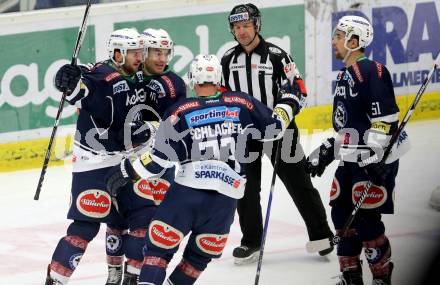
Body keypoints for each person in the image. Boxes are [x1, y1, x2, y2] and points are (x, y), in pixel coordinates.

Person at [105, 54, 304, 285]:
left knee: (157, 255)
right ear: (218, 78)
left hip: (186, 197)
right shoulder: (242, 103)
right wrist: (288, 101)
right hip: (224, 204)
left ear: (192, 79)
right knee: (197, 260)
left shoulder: (181, 111)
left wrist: (127, 171)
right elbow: (275, 129)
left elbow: (159, 160)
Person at [221, 3, 334, 263]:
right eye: (237, 27)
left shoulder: (276, 55)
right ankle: (251, 241)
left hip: (279, 130)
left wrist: (282, 114)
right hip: (245, 134)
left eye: (246, 25)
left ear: (257, 25)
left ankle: (321, 234)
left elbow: (297, 88)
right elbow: (223, 96)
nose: (242, 31)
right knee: (245, 189)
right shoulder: (228, 60)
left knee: (299, 182)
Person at [45, 28, 154, 285]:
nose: (140, 57)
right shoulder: (103, 77)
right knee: (85, 227)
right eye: (133, 53)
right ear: (117, 54)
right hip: (93, 164)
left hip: (126, 160)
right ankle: (55, 280)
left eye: (141, 52)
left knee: (143, 216)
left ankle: (128, 278)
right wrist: (68, 81)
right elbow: (80, 88)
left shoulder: (134, 75)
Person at [306, 15, 408, 285]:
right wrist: (329, 150)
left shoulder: (372, 71)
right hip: (352, 159)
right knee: (341, 213)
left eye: (338, 37)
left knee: (365, 220)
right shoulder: (345, 75)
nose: (333, 42)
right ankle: (351, 277)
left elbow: (385, 120)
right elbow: (350, 126)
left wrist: (377, 158)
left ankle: (382, 277)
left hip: (374, 161)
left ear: (354, 41)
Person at [104, 27, 187, 284]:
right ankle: (114, 272)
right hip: (123, 157)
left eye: (166, 53)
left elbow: (174, 127)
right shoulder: (130, 75)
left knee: (146, 220)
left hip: (156, 163)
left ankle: (134, 274)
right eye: (156, 52)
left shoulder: (173, 85)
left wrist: (148, 131)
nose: (162, 59)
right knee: (116, 218)